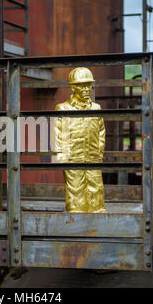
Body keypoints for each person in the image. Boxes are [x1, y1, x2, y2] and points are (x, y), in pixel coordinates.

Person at [54, 67, 106, 213]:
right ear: (73, 87)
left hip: (93, 158)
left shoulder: (96, 109)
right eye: (82, 85)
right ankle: (76, 224)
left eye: (88, 85)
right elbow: (58, 134)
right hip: (73, 159)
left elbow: (101, 132)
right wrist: (63, 157)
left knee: (96, 191)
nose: (87, 89)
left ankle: (98, 224)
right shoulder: (63, 109)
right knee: (75, 194)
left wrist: (98, 153)